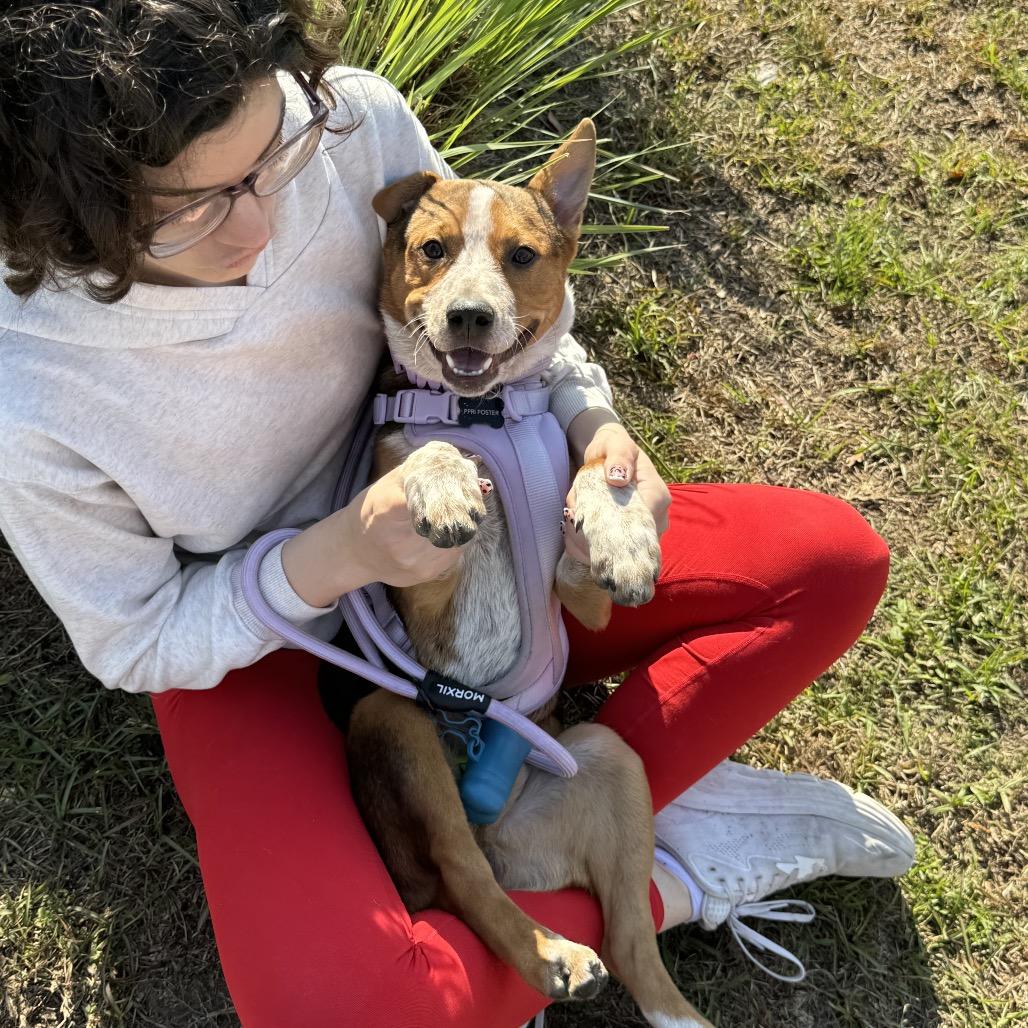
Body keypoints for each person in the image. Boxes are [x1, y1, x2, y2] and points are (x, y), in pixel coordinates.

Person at [0, 2, 914, 1026]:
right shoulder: (32, 389)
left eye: (273, 158)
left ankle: (610, 829)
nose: (263, 226)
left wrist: (593, 427)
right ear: (67, 209)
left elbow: (504, 302)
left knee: (829, 564)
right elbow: (132, 636)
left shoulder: (350, 126)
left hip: (495, 512)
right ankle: (657, 870)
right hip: (266, 639)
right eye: (195, 207)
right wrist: (334, 553)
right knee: (336, 1010)